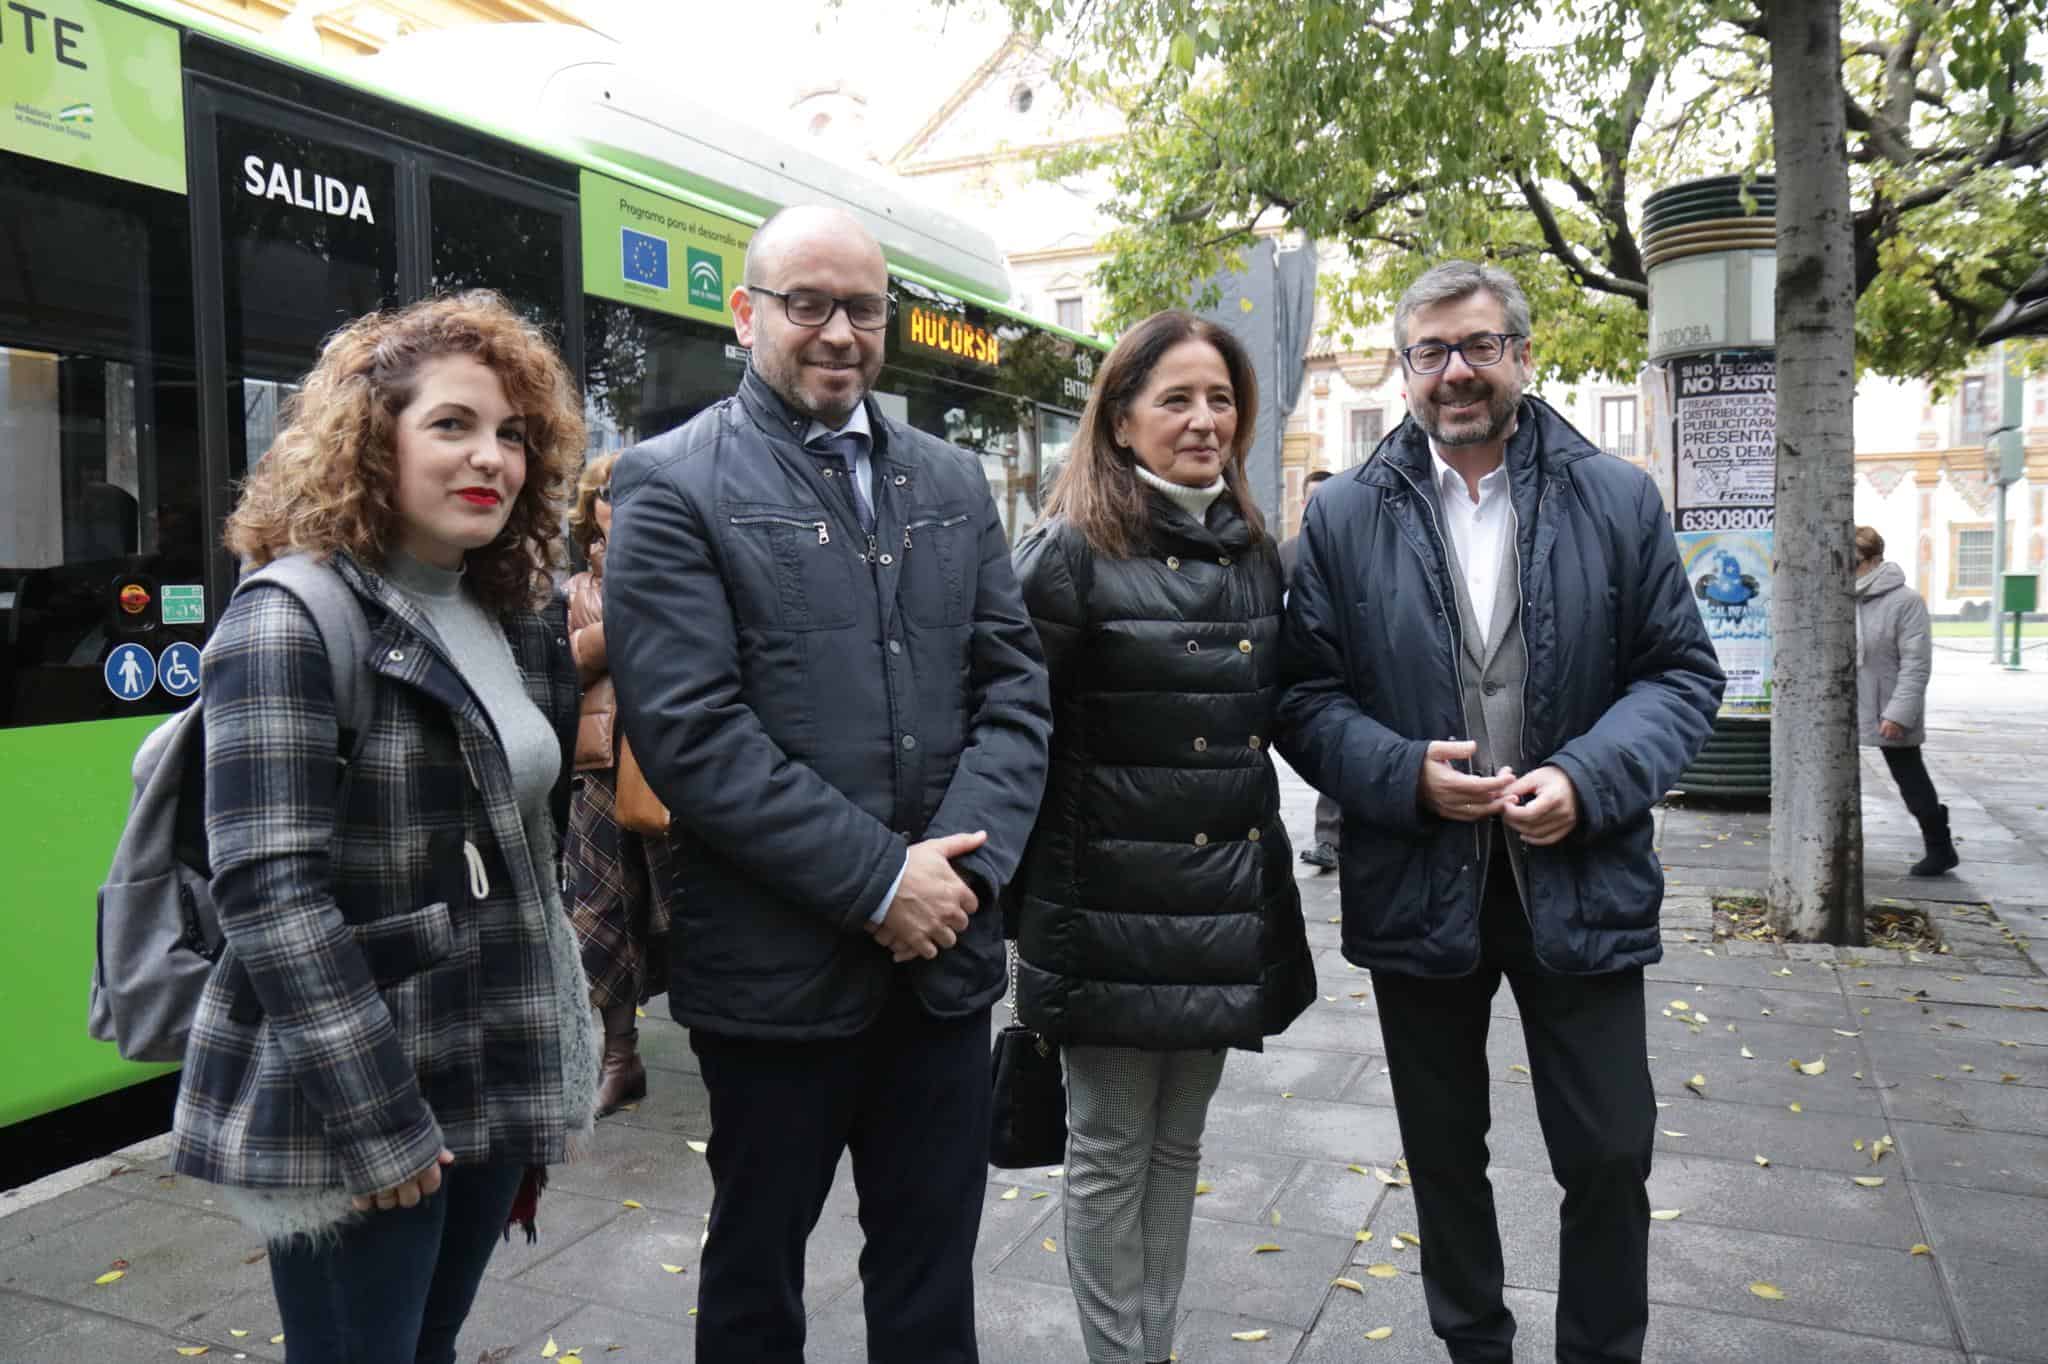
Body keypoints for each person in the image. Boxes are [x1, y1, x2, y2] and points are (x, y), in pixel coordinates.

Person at [603, 204, 1052, 1364]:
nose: (839, 330)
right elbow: (694, 734)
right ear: (747, 314)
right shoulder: (670, 482)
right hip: (773, 978)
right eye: (809, 303)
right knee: (754, 1276)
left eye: (862, 306)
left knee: (928, 1277)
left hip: (941, 969)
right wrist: (875, 880)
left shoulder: (952, 481)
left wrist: (953, 872)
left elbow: (1013, 693)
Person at [1276, 260, 1724, 1364]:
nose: (1455, 372)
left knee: (1611, 1148)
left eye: (1478, 346)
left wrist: (1585, 777)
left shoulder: (1613, 497)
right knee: (1441, 1152)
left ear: (1522, 355)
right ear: (1404, 370)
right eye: (1429, 352)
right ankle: (1473, 1343)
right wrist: (1397, 773)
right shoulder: (1339, 515)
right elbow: (1299, 693)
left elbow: (1678, 675)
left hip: (1578, 874)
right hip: (1420, 879)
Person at [170, 292, 597, 1363]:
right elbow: (268, 895)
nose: (489, 457)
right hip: (356, 1092)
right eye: (451, 424)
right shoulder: (292, 616)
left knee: (430, 1345)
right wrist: (379, 1118)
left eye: (511, 433)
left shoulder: (519, 617)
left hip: (490, 1059)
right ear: (374, 438)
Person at [1010, 310, 1316, 1364]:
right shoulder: (1063, 554)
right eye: (1175, 398)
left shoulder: (1251, 554)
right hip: (1098, 910)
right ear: (1122, 417)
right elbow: (1005, 731)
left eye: (1220, 399)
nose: (1201, 420)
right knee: (1104, 1147)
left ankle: (1155, 1341)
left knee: (1176, 1144)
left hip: (1221, 906)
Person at [562, 451, 675, 1114]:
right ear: (591, 510)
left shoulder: (681, 571)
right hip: (601, 772)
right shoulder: (576, 590)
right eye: (608, 491)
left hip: (670, 767)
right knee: (603, 918)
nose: (619, 499)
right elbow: (570, 662)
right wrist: (634, 610)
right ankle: (619, 1057)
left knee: (685, 907)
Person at [1854, 525, 1957, 876]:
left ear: (1874, 559)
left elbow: (1916, 663)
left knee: (1909, 777)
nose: (1849, 570)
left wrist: (1899, 713)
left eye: (1855, 562)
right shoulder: (1843, 597)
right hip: (1845, 704)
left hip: (1887, 705)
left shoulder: (1906, 601)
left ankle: (1940, 848)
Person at [1279, 468, 1341, 870]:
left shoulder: (1350, 543)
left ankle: (1332, 840)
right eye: (1311, 497)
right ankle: (1328, 841)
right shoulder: (1288, 551)